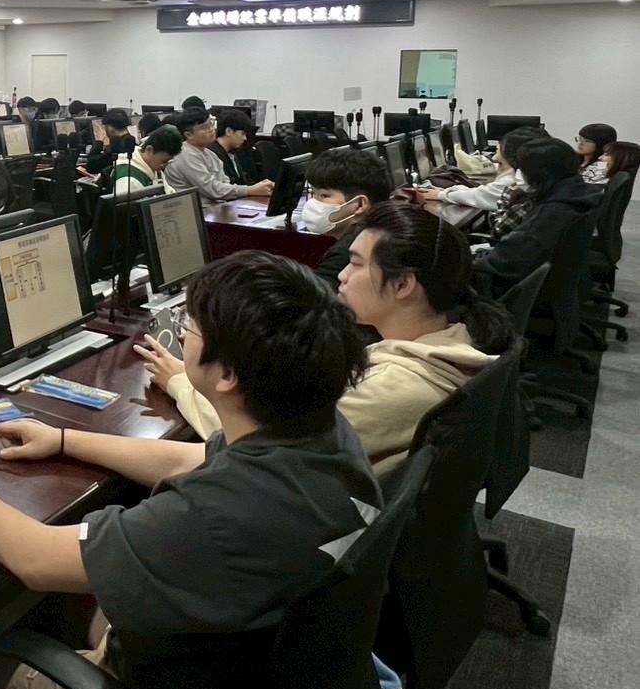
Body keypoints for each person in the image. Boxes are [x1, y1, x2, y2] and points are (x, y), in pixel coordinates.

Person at [0, 250, 376, 689]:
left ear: (227, 374)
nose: (181, 333)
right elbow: (187, 458)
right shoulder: (323, 434)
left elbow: (35, 560)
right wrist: (63, 439)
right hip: (271, 661)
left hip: (181, 678)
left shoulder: (213, 516)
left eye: (190, 326)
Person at [146, 202, 510, 477]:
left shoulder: (393, 388)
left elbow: (249, 439)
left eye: (356, 264)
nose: (342, 275)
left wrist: (179, 380)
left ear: (403, 284)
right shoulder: (453, 339)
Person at [475, 136, 602, 293]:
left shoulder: (550, 213)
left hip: (513, 285)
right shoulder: (579, 193)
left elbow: (504, 260)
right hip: (556, 280)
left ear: (538, 174)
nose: (518, 173)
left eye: (522, 169)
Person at [301, 149, 393, 287]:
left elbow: (313, 296)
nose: (313, 202)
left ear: (359, 205)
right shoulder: (382, 228)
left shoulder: (346, 254)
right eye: (313, 193)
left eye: (324, 195)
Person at [415, 125, 543, 215]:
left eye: (503, 143)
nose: (498, 145)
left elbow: (478, 196)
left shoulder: (513, 180)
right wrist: (445, 192)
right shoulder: (518, 175)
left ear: (511, 152)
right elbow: (480, 192)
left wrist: (441, 195)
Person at [164, 109, 274, 201]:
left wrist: (256, 188)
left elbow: (225, 184)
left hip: (217, 209)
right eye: (204, 127)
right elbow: (212, 189)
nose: (211, 130)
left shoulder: (210, 154)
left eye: (211, 124)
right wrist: (250, 190)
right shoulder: (185, 155)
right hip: (198, 213)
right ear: (189, 135)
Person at [106, 125, 182, 194]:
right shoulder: (128, 179)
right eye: (164, 161)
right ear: (149, 150)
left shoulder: (152, 166)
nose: (165, 165)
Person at [208, 108, 256, 184]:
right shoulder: (213, 155)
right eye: (242, 134)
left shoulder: (231, 153)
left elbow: (241, 181)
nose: (245, 138)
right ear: (229, 131)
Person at [84, 108, 134, 177]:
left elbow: (90, 166)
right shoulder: (134, 143)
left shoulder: (115, 148)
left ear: (110, 128)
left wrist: (99, 142)